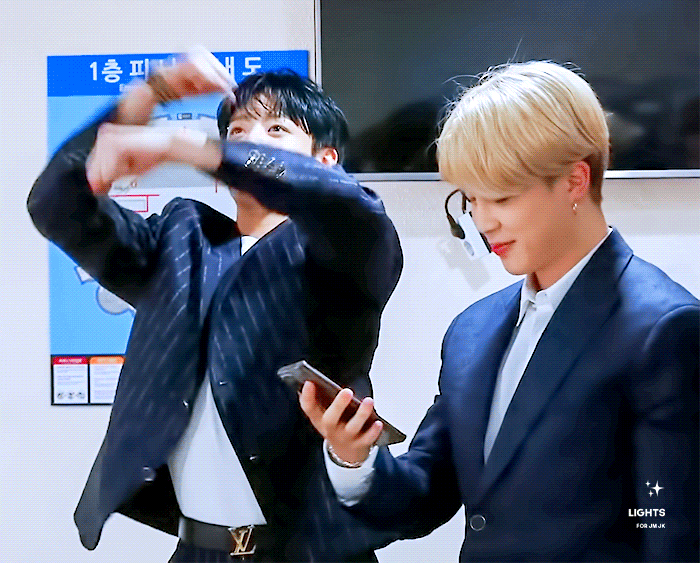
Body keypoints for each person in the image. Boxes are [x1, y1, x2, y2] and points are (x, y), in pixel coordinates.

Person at [300, 61, 699, 562]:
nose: (483, 221)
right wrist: (354, 458)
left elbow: (672, 533)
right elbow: (425, 492)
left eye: (502, 198)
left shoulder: (663, 329)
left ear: (575, 181)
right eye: (470, 199)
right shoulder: (473, 331)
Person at [28, 54, 402, 562]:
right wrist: (150, 94)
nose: (248, 141)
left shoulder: (347, 248)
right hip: (198, 549)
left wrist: (186, 147)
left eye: (276, 129)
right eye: (237, 130)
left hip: (313, 550)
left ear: (325, 160)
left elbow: (342, 203)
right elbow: (55, 203)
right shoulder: (182, 239)